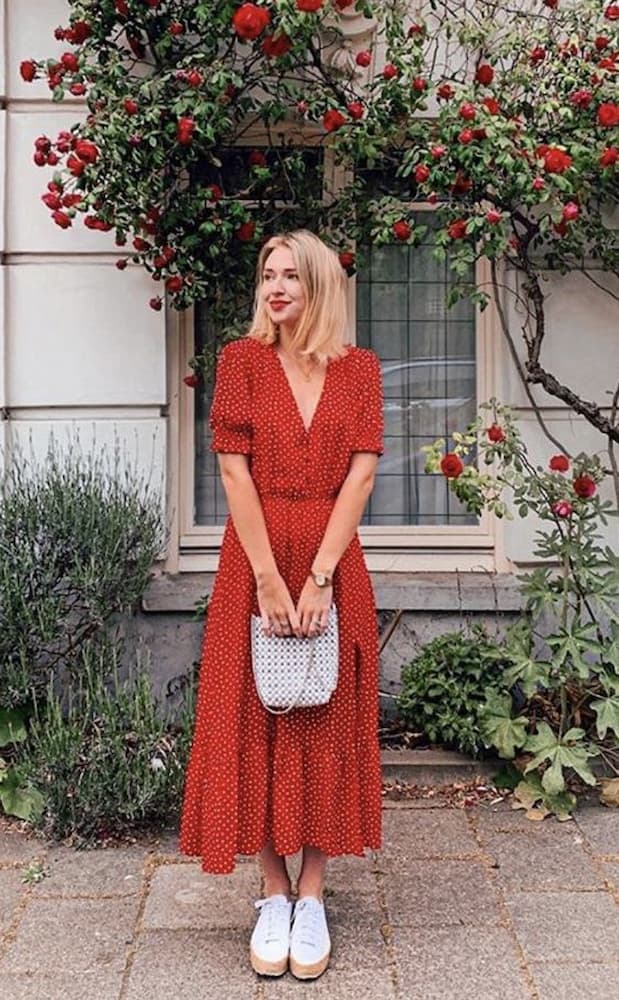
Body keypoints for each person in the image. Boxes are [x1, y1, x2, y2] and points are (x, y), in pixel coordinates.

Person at [178, 228, 384, 981]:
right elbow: (234, 475)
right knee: (253, 714)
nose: (276, 288)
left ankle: (314, 893)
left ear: (320, 285)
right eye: (268, 274)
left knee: (324, 713)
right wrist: (269, 579)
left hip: (331, 557)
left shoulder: (358, 370)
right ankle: (272, 892)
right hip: (255, 556)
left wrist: (320, 575)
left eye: (292, 276)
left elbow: (360, 477)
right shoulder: (240, 362)